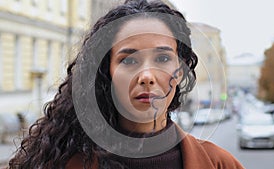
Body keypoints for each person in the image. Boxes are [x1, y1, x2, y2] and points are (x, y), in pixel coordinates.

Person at [7, 0, 244, 168]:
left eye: (162, 58)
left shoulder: (219, 164)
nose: (146, 76)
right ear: (106, 72)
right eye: (129, 60)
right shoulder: (61, 163)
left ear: (180, 71)